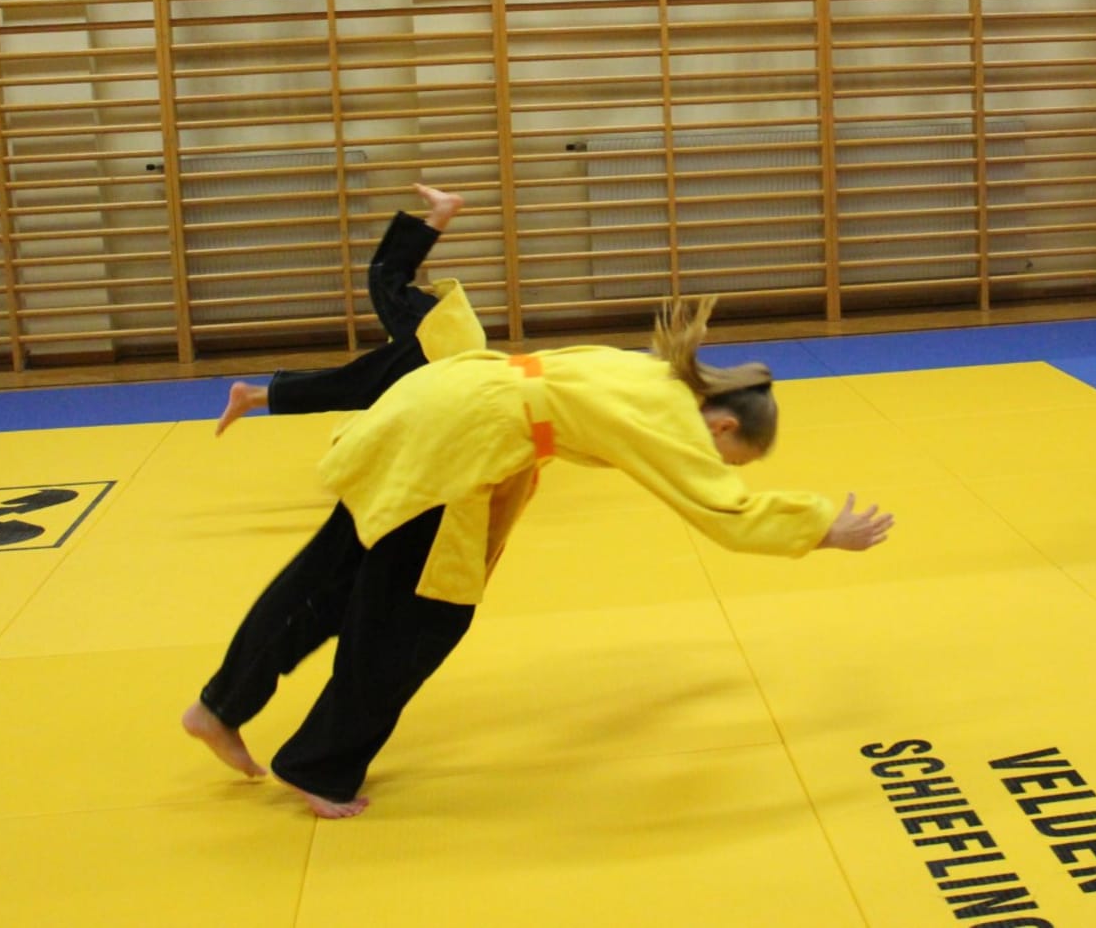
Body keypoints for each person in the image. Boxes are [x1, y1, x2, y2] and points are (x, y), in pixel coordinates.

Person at [182, 286, 895, 818]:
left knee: (331, 577)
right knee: (420, 617)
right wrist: (821, 527)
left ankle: (221, 705)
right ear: (725, 424)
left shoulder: (657, 375)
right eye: (730, 456)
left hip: (437, 409)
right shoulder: (675, 417)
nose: (720, 464)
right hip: (457, 444)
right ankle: (317, 763)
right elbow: (722, 511)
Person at [215, 183, 468, 435]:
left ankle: (254, 396)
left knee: (384, 280)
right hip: (440, 345)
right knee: (356, 381)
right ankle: (254, 396)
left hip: (445, 340)